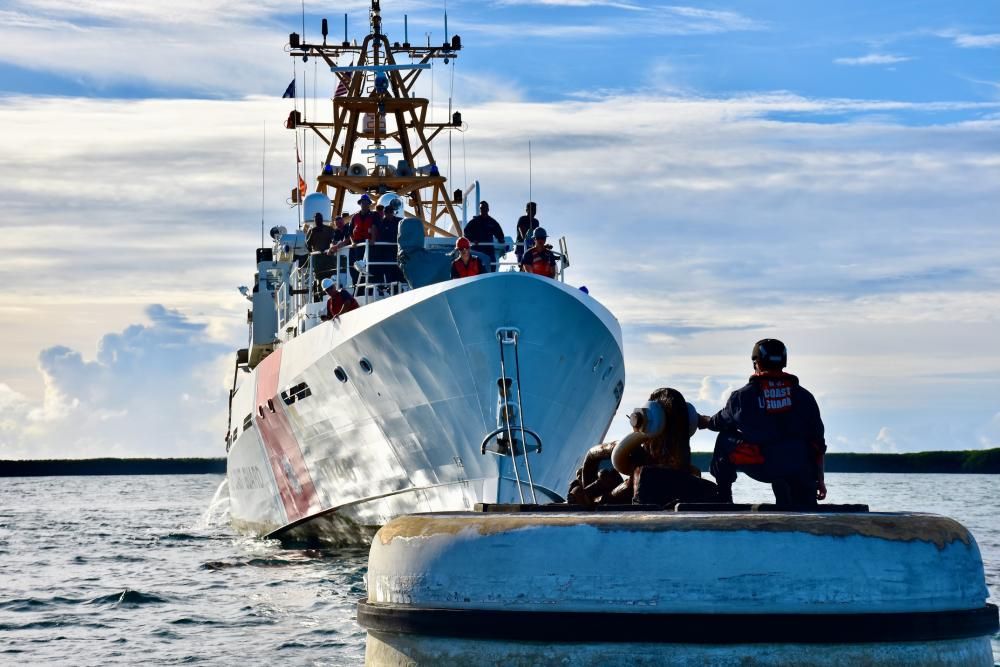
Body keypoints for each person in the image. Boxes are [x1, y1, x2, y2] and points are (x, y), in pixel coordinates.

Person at [697, 339, 827, 507]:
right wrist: (820, 479)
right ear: (784, 362)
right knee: (796, 453)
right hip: (798, 468)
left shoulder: (742, 397)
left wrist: (703, 421)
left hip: (764, 466)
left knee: (725, 438)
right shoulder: (805, 397)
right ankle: (805, 496)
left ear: (756, 363)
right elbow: (818, 443)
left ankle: (724, 497)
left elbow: (718, 423)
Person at [462, 200, 504, 270]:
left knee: (492, 266)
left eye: (485, 208)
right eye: (481, 208)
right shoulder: (474, 221)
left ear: (488, 209)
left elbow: (499, 234)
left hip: (489, 250)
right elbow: (466, 231)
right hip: (477, 249)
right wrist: (472, 239)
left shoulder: (492, 222)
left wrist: (501, 239)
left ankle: (490, 278)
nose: (483, 209)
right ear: (479, 210)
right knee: (476, 268)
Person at [350, 194, 379, 283]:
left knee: (370, 266)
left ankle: (371, 285)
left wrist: (373, 239)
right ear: (360, 204)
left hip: (370, 245)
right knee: (358, 266)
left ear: (369, 204)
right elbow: (350, 232)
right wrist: (352, 242)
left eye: (366, 203)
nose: (364, 204)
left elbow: (375, 227)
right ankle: (359, 286)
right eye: (362, 203)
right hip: (358, 246)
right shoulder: (355, 217)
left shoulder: (374, 215)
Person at [373, 199, 403, 283]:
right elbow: (380, 237)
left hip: (398, 251)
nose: (389, 214)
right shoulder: (381, 223)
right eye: (387, 212)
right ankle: (391, 288)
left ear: (393, 212)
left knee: (399, 272)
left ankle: (400, 288)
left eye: (390, 212)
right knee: (389, 272)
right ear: (385, 213)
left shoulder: (400, 221)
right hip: (386, 253)